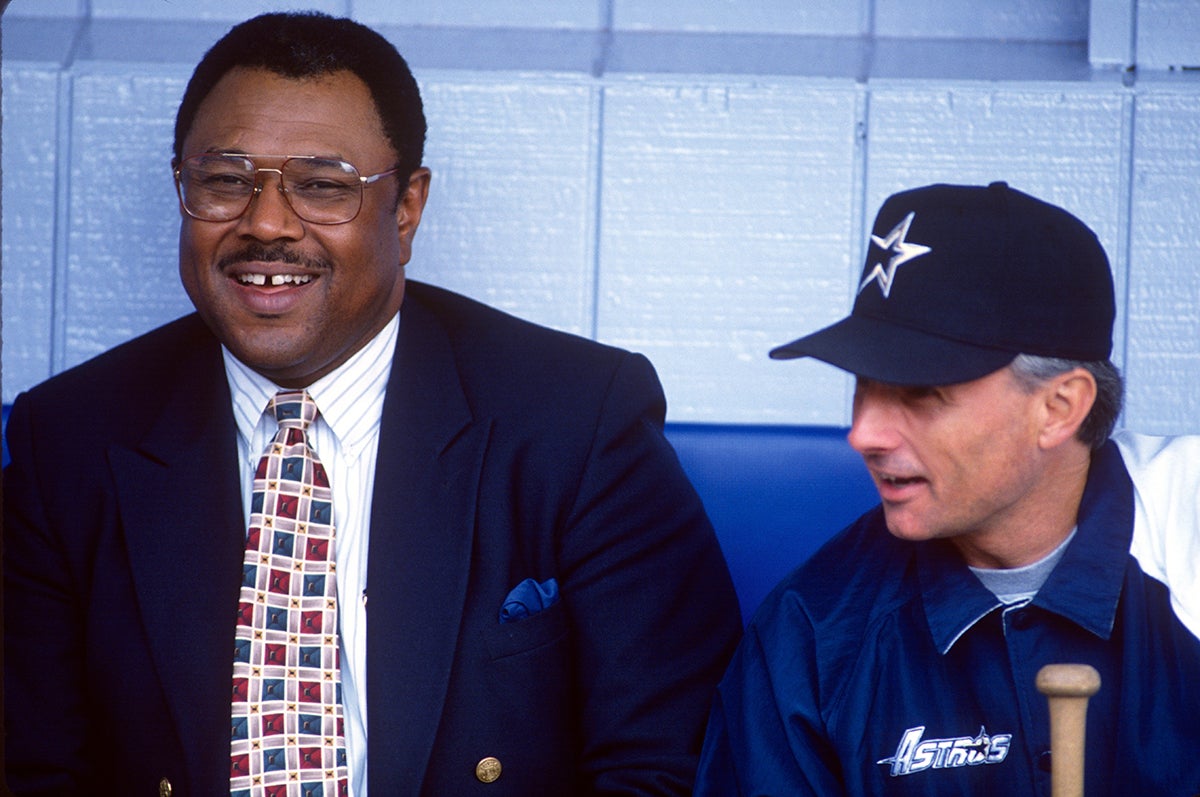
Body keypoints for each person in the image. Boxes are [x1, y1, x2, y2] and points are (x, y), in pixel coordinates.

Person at [2, 12, 742, 796]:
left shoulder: (578, 422)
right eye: (224, 181)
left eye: (322, 186)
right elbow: (34, 771)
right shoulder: (70, 442)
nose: (265, 223)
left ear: (407, 208)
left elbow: (669, 765)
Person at [694, 181, 1200, 795]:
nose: (863, 433)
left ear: (1059, 408)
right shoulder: (810, 633)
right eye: (863, 386)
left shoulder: (1187, 526)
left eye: (921, 395)